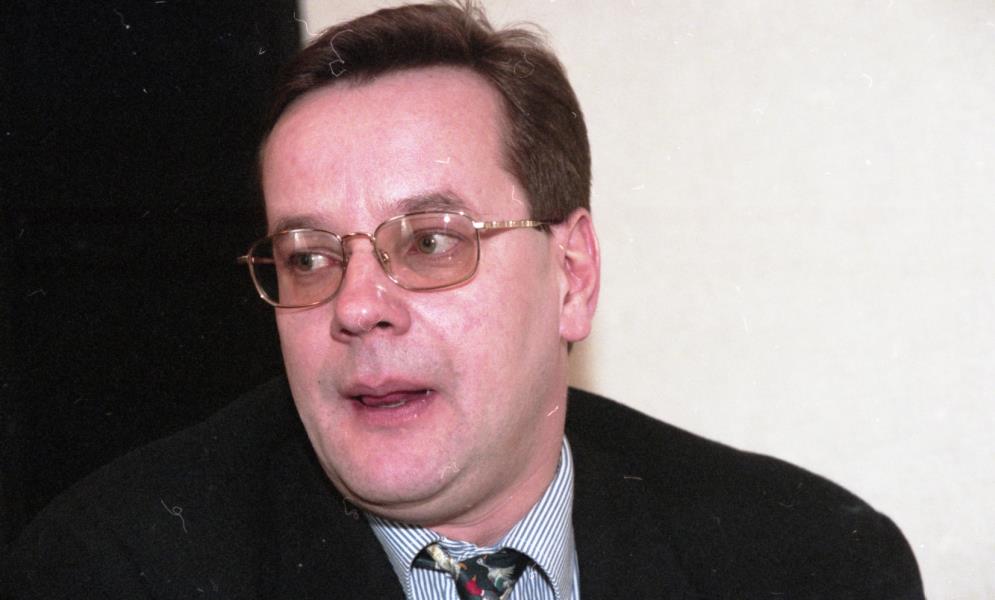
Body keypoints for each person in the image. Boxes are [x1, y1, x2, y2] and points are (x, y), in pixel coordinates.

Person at [2, 2, 925, 598]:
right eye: (308, 258)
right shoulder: (115, 570)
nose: (357, 307)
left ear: (572, 276)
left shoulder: (811, 564)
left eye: (429, 242)